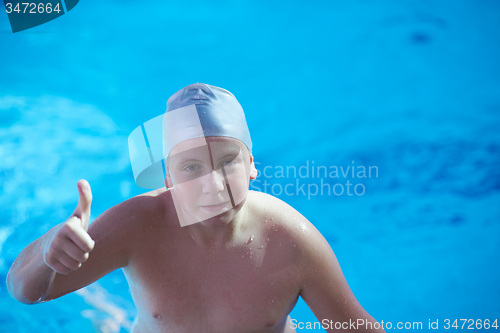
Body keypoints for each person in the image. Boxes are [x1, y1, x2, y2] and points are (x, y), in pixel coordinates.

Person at [6, 83, 386, 333]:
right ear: (168, 178)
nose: (214, 186)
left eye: (228, 162)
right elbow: (25, 291)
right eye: (191, 168)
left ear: (253, 164)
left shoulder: (290, 239)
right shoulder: (137, 227)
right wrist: (46, 251)